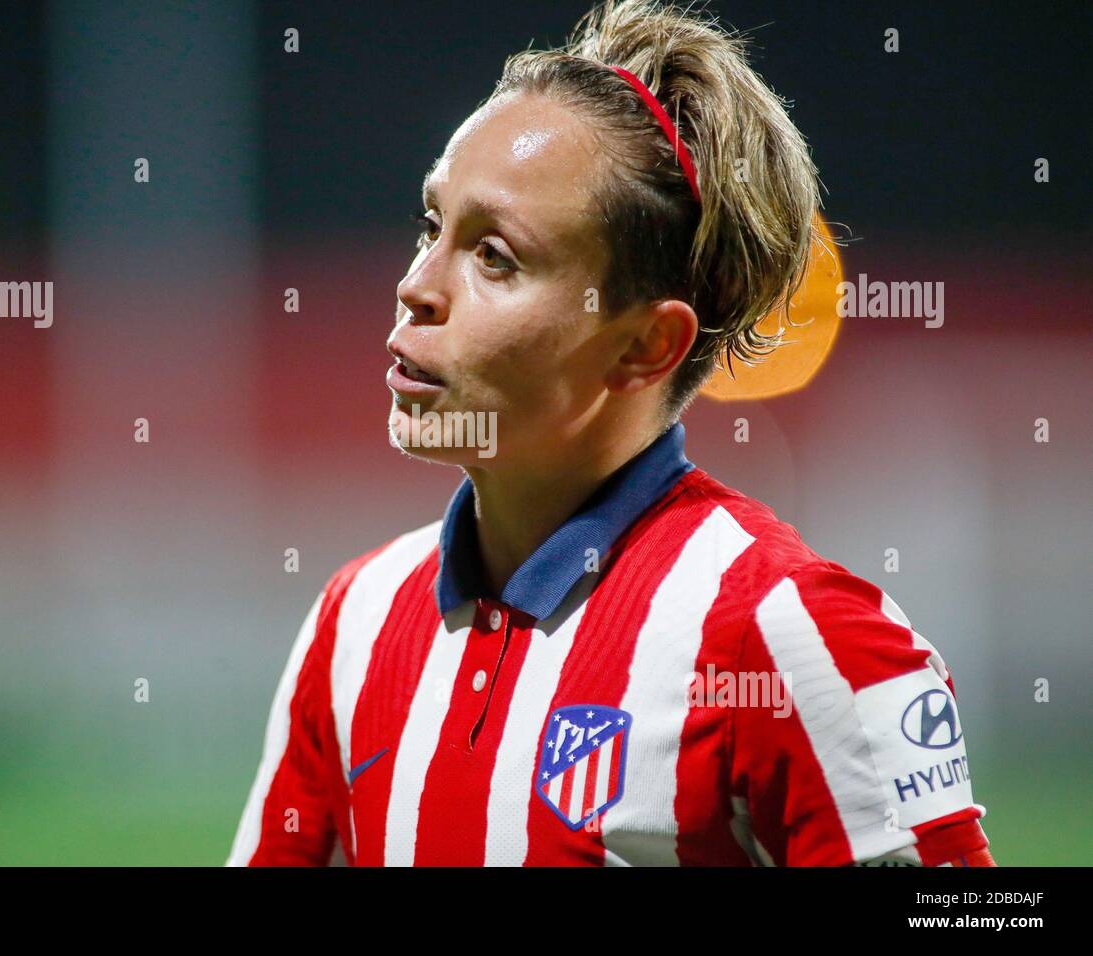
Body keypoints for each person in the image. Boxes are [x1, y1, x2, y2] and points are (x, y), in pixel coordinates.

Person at [228, 0, 993, 866]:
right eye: (431, 227)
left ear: (644, 346)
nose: (417, 287)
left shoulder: (794, 635)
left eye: (494, 256)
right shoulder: (357, 621)